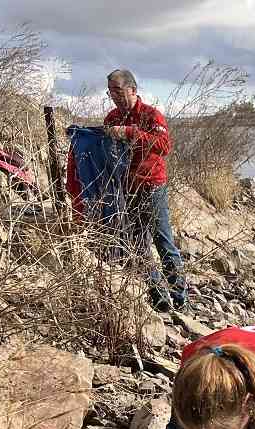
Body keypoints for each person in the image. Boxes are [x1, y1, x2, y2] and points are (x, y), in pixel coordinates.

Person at [103, 68, 188, 309]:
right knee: (138, 245)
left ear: (133, 89)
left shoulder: (151, 115)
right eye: (111, 93)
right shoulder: (111, 118)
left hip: (152, 186)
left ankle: (181, 300)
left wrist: (130, 133)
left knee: (163, 242)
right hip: (126, 188)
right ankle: (159, 299)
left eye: (118, 91)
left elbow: (164, 146)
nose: (115, 97)